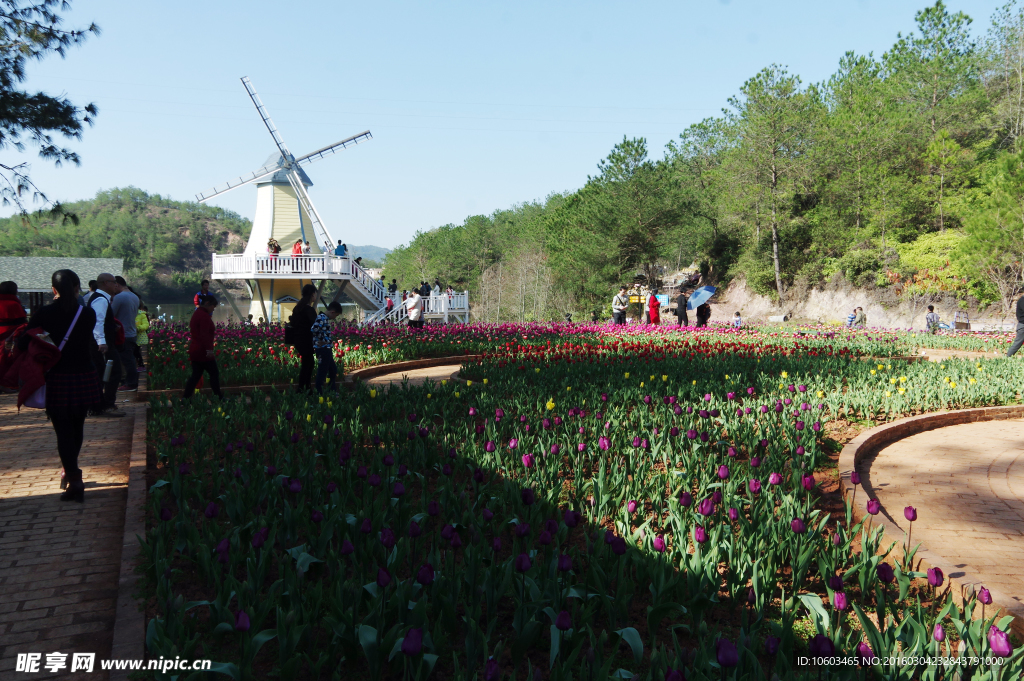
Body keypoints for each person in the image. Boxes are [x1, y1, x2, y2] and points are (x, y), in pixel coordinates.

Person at [20, 270, 101, 502]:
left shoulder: (44, 313)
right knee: (77, 426)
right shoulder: (87, 313)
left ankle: (74, 478)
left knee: (62, 430)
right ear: (78, 287)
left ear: (53, 290)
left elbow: (25, 341)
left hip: (57, 376)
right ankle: (72, 471)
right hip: (84, 374)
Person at [87, 273, 124, 417]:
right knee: (113, 373)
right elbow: (98, 321)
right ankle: (106, 404)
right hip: (102, 345)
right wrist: (102, 341)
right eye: (113, 282)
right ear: (105, 283)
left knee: (103, 373)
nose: (116, 285)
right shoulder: (101, 300)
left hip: (103, 342)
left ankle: (100, 404)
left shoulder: (102, 299)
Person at [183, 294, 222, 399]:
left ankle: (186, 398)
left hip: (195, 349)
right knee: (214, 373)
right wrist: (209, 351)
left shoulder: (197, 313)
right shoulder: (204, 316)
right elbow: (204, 335)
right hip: (203, 351)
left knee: (196, 375)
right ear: (207, 304)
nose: (213, 309)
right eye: (213, 307)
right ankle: (218, 396)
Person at [111, 276, 140, 392]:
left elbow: (111, 314)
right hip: (132, 331)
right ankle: (130, 381)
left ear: (117, 284)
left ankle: (131, 383)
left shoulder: (119, 297)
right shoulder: (135, 296)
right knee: (130, 359)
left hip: (123, 333)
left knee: (127, 361)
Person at [289, 284, 318, 393]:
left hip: (298, 339)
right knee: (308, 364)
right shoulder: (308, 309)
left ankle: (304, 387)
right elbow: (315, 324)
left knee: (308, 363)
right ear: (312, 295)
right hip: (306, 340)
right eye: (315, 294)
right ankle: (303, 389)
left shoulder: (297, 308)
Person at [312, 301, 343, 393]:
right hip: (323, 349)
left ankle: (332, 390)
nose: (335, 318)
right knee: (322, 372)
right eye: (336, 316)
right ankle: (319, 392)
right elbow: (314, 329)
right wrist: (321, 340)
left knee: (333, 370)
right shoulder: (321, 318)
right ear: (332, 312)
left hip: (327, 348)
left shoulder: (324, 318)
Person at [134, 305, 149, 369]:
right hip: (128, 334)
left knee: (136, 350)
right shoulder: (127, 312)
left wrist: (138, 328)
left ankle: (141, 365)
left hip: (138, 336)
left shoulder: (142, 315)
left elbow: (146, 325)